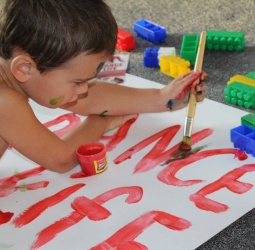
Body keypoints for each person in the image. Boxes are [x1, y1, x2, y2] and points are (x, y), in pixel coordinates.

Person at [0, 0, 206, 173]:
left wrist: (163, 98)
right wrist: (99, 123)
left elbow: (89, 98)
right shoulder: (4, 101)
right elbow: (61, 160)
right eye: (77, 82)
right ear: (24, 68)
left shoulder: (21, 71)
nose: (83, 89)